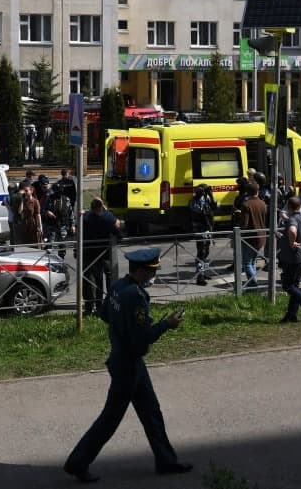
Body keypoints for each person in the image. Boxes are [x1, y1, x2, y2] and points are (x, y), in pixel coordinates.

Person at [64, 248, 192, 483]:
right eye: (152, 272)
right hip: (128, 365)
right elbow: (143, 338)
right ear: (142, 271)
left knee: (151, 412)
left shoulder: (117, 286)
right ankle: (77, 462)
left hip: (126, 360)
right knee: (110, 419)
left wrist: (122, 327)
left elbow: (104, 314)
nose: (154, 276)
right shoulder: (136, 296)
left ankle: (166, 460)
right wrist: (167, 324)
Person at [80, 198, 121, 314]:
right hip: (106, 253)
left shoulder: (85, 217)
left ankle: (92, 305)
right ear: (102, 206)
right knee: (110, 277)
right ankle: (110, 302)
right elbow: (118, 231)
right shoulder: (107, 217)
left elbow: (79, 231)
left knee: (92, 280)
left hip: (89, 253)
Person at [240, 182, 268, 289]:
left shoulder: (246, 204)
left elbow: (245, 224)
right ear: (258, 190)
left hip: (249, 237)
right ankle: (253, 284)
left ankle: (253, 285)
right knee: (253, 262)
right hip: (261, 237)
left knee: (247, 263)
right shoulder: (263, 203)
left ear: (247, 191)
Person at [189, 184, 216, 285]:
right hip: (199, 229)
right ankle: (199, 276)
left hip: (208, 228)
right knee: (201, 252)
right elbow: (198, 211)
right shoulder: (193, 201)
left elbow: (215, 207)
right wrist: (199, 196)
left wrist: (211, 195)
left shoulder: (207, 199)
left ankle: (203, 272)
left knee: (206, 252)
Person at [43, 184, 75, 259]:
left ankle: (61, 260)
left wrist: (72, 225)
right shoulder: (49, 198)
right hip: (51, 225)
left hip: (62, 225)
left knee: (62, 245)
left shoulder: (66, 199)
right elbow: (43, 210)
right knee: (49, 245)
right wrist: (47, 212)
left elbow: (70, 213)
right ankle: (48, 260)